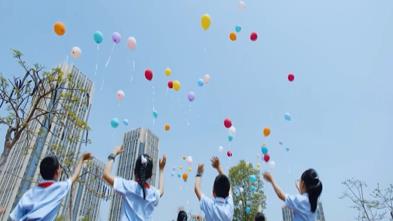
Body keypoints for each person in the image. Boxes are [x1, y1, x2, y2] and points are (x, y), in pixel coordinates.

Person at [10, 153, 92, 220]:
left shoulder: (29, 193)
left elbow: (14, 217)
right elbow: (75, 176)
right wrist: (81, 158)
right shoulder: (60, 188)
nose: (60, 170)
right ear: (57, 172)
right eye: (60, 168)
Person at [103, 146, 167, 221]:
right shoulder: (152, 193)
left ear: (134, 171)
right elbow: (161, 191)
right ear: (150, 176)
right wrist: (161, 169)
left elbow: (106, 175)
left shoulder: (128, 186)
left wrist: (114, 153)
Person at [194, 156, 233, 221]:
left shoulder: (210, 205)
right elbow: (229, 189)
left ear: (213, 193)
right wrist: (219, 168)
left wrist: (199, 173)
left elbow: (196, 189)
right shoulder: (229, 207)